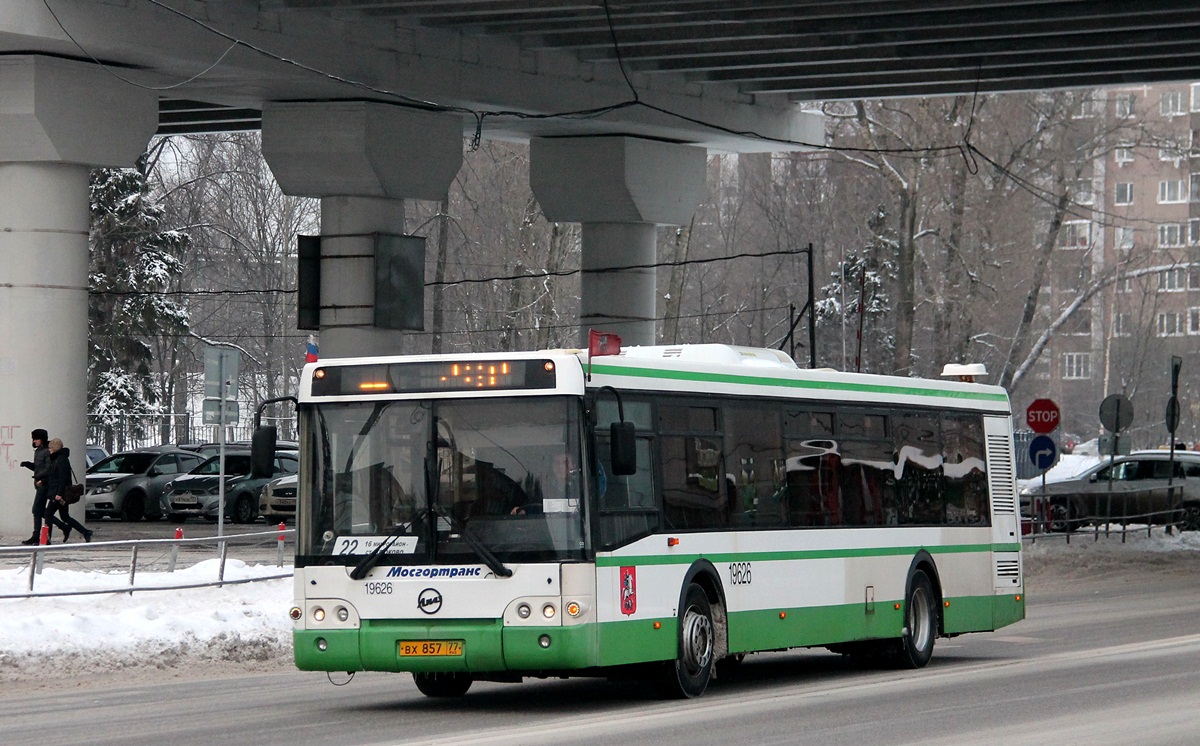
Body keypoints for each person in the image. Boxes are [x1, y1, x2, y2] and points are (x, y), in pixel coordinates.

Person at [42, 438, 92, 543]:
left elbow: (62, 478)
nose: (49, 450)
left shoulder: (60, 460)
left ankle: (47, 540)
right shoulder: (59, 459)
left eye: (50, 448)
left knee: (48, 514)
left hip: (59, 493)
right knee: (65, 516)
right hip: (59, 492)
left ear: (54, 448)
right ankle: (85, 532)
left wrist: (58, 494)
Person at [18, 428, 52, 545]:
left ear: (42, 439)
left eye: (36, 439)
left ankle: (37, 535)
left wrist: (41, 479)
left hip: (44, 484)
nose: (34, 441)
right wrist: (28, 465)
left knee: (37, 510)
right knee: (42, 511)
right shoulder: (38, 451)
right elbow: (39, 467)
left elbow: (48, 468)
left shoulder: (46, 451)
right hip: (39, 483)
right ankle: (40, 534)